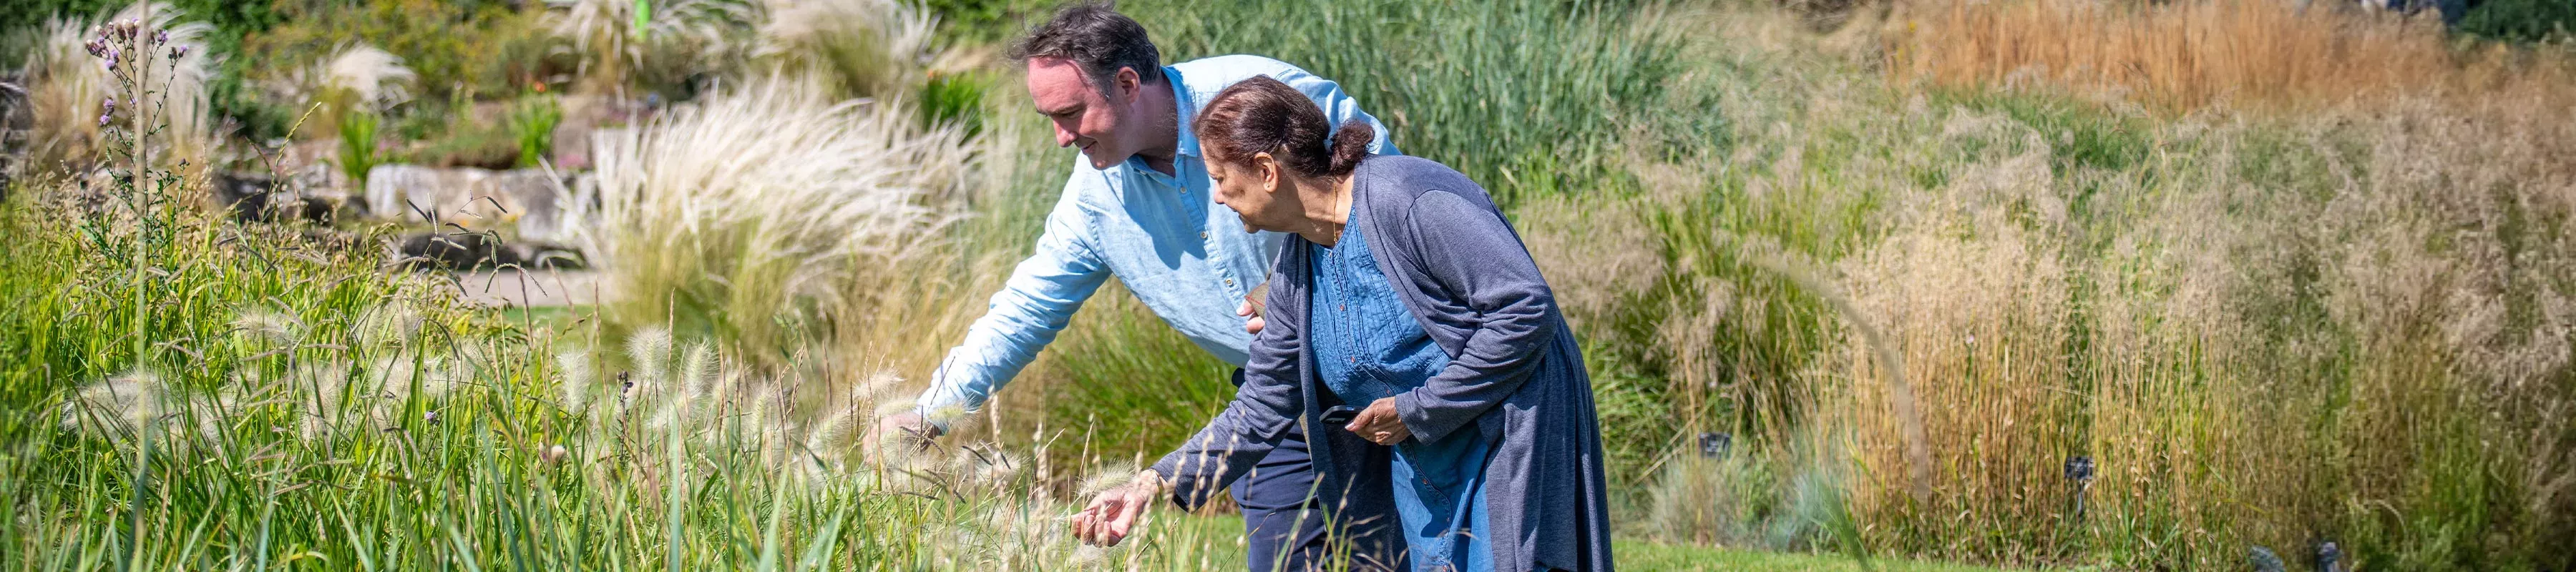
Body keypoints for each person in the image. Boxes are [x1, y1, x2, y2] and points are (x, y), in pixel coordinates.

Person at [865, 3, 1406, 570]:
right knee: (1283, 561)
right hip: (1270, 405)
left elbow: (1386, 203)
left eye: (1071, 113)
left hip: (1390, 367)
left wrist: (1300, 290)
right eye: (1048, 117)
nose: (1059, 138)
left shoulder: (1264, 98)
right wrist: (930, 413)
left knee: (1426, 549)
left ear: (1126, 84)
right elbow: (1025, 310)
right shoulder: (1094, 203)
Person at [1072, 77, 1615, 571]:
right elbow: (1263, 404)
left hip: (1508, 451)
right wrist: (1151, 484)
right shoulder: (1296, 265)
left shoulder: (1410, 199)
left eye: (1220, 178)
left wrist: (1419, 407)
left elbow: (1524, 309)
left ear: (1266, 171)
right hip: (1427, 472)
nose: (1215, 195)